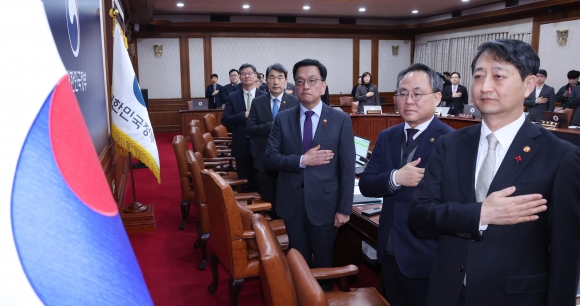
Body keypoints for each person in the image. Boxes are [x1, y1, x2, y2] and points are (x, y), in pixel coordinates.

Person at [408, 39, 580, 306]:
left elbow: (565, 254)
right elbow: (419, 215)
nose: (485, 86)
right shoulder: (450, 144)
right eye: (478, 76)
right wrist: (480, 214)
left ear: (529, 85)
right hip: (447, 293)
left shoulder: (560, 156)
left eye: (498, 76)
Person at [359, 63, 454, 306]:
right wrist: (395, 178)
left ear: (437, 97)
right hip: (389, 248)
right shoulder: (387, 136)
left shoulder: (451, 141)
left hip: (426, 254)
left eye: (417, 93)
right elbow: (368, 184)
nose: (408, 100)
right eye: (402, 93)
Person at [264, 59, 355, 291]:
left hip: (325, 204)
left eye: (312, 81)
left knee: (324, 261)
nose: (306, 86)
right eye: (300, 81)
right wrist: (302, 160)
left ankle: (323, 297)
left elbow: (347, 167)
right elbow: (270, 159)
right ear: (293, 86)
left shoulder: (340, 119)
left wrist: (344, 208)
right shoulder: (282, 119)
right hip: (292, 204)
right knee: (298, 261)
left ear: (323, 86)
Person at [246, 63, 300, 219]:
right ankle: (272, 231)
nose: (276, 82)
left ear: (286, 81)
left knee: (287, 199)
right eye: (272, 77)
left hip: (287, 160)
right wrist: (272, 126)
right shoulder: (257, 102)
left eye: (280, 78)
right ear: (266, 81)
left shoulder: (295, 102)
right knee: (269, 198)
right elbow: (250, 128)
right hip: (264, 159)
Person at [222, 63, 267, 192]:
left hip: (259, 145)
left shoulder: (264, 96)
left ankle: (260, 208)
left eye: (250, 73)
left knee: (260, 180)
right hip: (241, 144)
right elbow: (225, 120)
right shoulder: (232, 96)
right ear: (240, 77)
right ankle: (246, 208)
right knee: (244, 181)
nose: (247, 76)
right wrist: (244, 115)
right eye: (243, 74)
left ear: (255, 76)